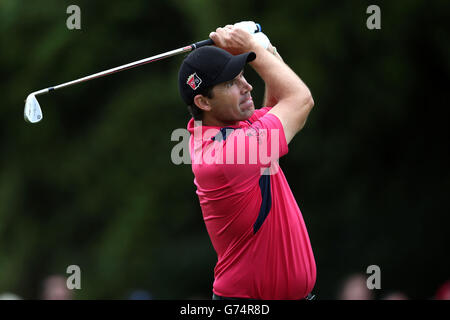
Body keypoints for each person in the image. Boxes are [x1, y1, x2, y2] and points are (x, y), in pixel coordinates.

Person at [178, 22, 316, 300]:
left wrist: (264, 47)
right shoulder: (229, 154)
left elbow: (278, 102)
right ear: (204, 102)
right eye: (231, 82)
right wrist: (251, 47)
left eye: (242, 75)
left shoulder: (228, 130)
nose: (247, 86)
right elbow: (300, 100)